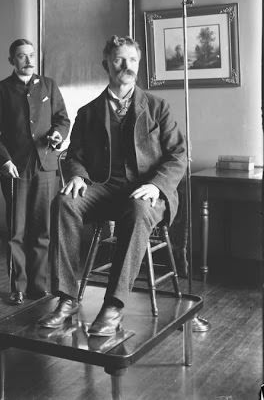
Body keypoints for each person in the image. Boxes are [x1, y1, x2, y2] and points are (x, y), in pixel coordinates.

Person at [38, 35, 186, 335]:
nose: (126, 66)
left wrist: (157, 186)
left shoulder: (158, 107)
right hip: (104, 187)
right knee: (64, 203)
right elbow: (73, 155)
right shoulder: (89, 112)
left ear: (139, 63)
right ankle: (67, 298)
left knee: (137, 207)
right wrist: (78, 175)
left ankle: (113, 306)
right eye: (119, 59)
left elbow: (178, 155)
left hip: (147, 190)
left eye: (132, 59)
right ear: (106, 64)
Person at [0, 38, 70, 305]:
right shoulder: (0, 90)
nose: (28, 60)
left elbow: (63, 119)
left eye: (31, 55)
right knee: (16, 231)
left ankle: (38, 286)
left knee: (42, 230)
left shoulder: (49, 86)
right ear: (12, 60)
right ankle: (18, 287)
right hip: (15, 169)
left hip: (46, 166)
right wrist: (4, 162)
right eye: (22, 56)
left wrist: (58, 135)